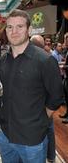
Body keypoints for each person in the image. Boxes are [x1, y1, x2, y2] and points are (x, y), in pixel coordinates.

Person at [0, 9, 63, 163]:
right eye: (10, 27)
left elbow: (56, 98)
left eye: (19, 27)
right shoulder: (3, 60)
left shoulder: (45, 61)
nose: (14, 32)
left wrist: (38, 119)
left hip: (32, 139)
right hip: (5, 136)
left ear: (29, 30)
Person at [30, 34, 56, 163]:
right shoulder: (48, 57)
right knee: (49, 130)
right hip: (42, 103)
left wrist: (49, 109)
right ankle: (50, 156)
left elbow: (55, 90)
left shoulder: (46, 59)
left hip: (43, 104)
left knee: (47, 130)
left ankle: (49, 156)